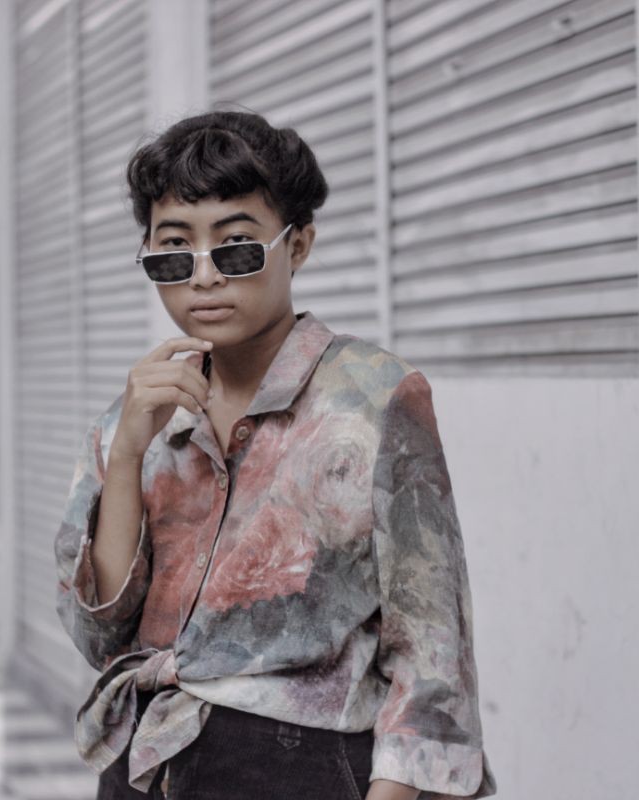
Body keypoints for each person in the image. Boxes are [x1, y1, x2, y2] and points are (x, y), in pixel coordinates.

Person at [54, 110, 497, 800]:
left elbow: (432, 653)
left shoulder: (374, 398)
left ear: (299, 245)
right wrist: (127, 455)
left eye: (236, 247)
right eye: (174, 252)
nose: (204, 277)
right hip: (146, 762)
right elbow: (99, 638)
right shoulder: (135, 417)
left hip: (301, 769)